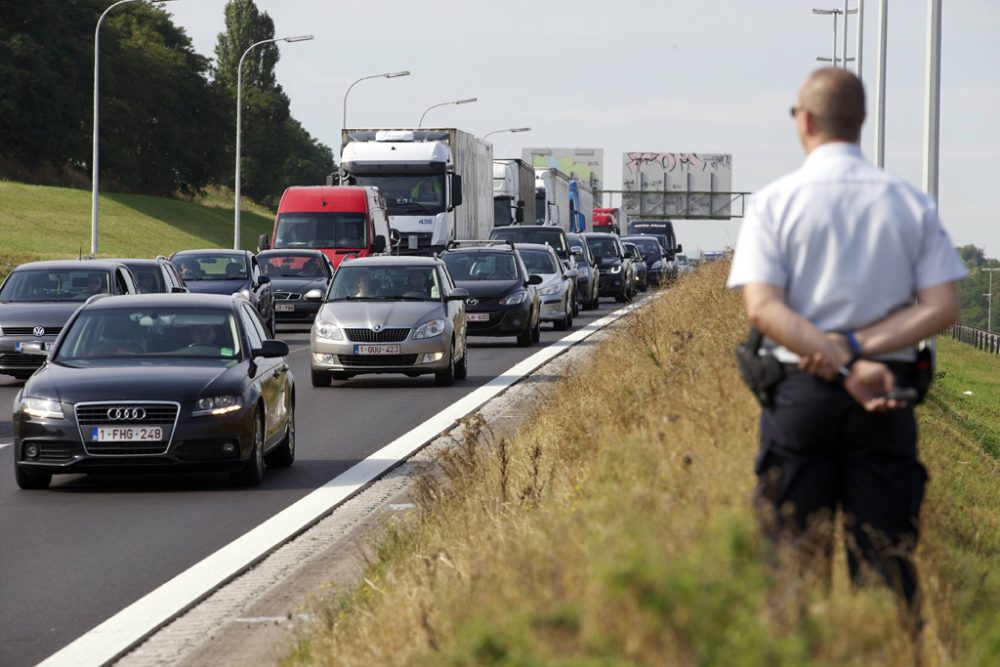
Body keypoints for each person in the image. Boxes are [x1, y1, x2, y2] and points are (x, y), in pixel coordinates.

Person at [726, 67, 966, 630]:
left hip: (801, 396)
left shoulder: (774, 203)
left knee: (791, 565)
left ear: (804, 121)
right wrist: (861, 352)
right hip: (887, 395)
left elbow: (764, 309)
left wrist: (838, 360)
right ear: (860, 122)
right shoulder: (911, 204)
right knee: (884, 562)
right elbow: (942, 308)